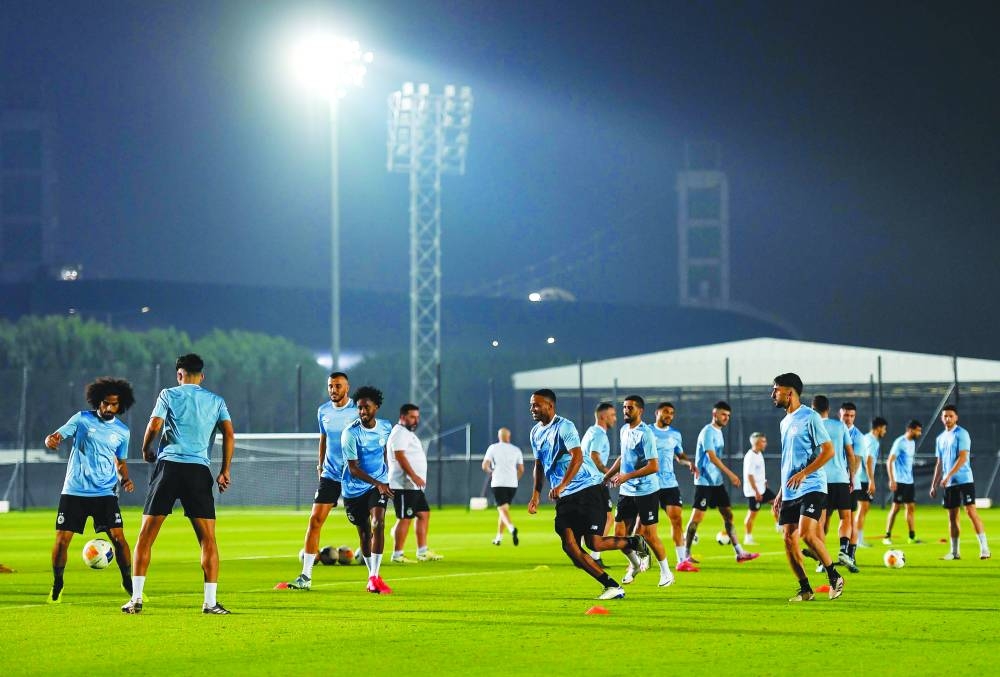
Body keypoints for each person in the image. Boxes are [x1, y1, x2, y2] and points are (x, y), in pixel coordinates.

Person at [123, 354, 235, 614]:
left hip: (169, 469)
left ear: (179, 374)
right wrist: (225, 470)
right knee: (208, 539)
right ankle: (209, 602)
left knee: (146, 536)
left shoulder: (168, 394)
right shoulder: (216, 401)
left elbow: (155, 424)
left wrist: (145, 448)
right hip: (198, 470)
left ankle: (136, 599)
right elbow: (229, 433)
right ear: (202, 376)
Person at [527, 389, 648, 600]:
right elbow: (539, 464)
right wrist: (536, 494)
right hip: (566, 496)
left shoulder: (565, 426)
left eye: (537, 405)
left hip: (588, 489)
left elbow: (577, 457)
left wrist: (563, 484)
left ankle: (634, 543)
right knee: (569, 545)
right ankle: (611, 585)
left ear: (550, 406)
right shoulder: (535, 432)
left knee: (594, 544)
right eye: (531, 405)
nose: (533, 409)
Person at [44, 377, 137, 604]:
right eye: (104, 403)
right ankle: (58, 581)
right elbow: (55, 436)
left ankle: (128, 580)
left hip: (105, 493)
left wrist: (125, 479)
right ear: (97, 401)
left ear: (120, 405)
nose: (107, 407)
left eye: (113, 404)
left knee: (119, 539)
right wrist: (51, 440)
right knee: (62, 541)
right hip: (75, 491)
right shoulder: (82, 419)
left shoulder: (122, 432)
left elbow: (120, 461)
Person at [770, 373, 845, 602]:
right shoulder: (784, 422)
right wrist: (781, 493)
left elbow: (828, 451)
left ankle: (835, 577)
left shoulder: (810, 417)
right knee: (788, 538)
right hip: (790, 489)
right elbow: (788, 460)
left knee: (805, 534)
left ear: (789, 392)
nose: (773, 394)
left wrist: (804, 473)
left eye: (776, 390)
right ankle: (805, 589)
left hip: (812, 485)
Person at [287, 371, 357, 590]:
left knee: (363, 523)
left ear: (347, 387)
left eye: (337, 386)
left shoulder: (358, 410)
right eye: (330, 386)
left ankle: (372, 573)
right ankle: (305, 577)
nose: (333, 390)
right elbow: (323, 439)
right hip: (330, 474)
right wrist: (320, 466)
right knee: (315, 520)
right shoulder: (323, 411)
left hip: (355, 475)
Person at [604, 395, 674, 587]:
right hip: (627, 491)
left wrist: (626, 476)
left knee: (649, 536)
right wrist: (608, 475)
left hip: (646, 491)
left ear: (640, 411)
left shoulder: (646, 434)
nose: (626, 411)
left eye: (630, 408)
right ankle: (634, 565)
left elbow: (654, 466)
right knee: (620, 535)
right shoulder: (624, 430)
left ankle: (666, 572)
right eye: (624, 408)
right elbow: (623, 456)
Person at [680, 401, 758, 570]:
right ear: (715, 414)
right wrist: (730, 474)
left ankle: (739, 552)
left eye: (728, 416)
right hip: (704, 482)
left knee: (728, 515)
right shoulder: (708, 431)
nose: (726, 418)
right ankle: (685, 556)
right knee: (697, 518)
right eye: (723, 415)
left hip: (717, 482)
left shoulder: (719, 432)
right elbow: (711, 457)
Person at [341, 386, 394, 594]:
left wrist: (389, 478)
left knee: (378, 523)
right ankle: (371, 576)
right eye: (359, 408)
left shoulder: (386, 428)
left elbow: (388, 453)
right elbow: (353, 469)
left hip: (378, 484)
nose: (362, 412)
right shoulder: (350, 434)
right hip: (354, 490)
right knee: (364, 533)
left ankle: (374, 576)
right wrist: (378, 483)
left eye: (366, 408)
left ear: (376, 407)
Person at [930, 405, 991, 560]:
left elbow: (963, 457)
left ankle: (985, 549)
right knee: (952, 517)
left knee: (971, 512)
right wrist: (934, 484)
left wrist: (948, 475)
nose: (948, 419)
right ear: (941, 418)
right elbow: (940, 462)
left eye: (951, 416)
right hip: (949, 484)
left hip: (964, 480)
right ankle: (954, 552)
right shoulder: (940, 438)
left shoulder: (962, 434)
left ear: (956, 417)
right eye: (945, 416)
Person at [388, 404, 443, 563]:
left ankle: (422, 551)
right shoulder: (399, 433)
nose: (416, 420)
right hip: (404, 484)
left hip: (413, 486)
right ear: (403, 417)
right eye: (412, 417)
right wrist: (414, 476)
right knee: (405, 517)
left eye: (417, 417)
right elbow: (400, 456)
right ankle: (397, 554)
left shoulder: (406, 433)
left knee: (423, 514)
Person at [812, 396, 858, 574]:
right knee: (845, 517)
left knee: (821, 521)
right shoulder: (840, 426)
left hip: (820, 480)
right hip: (840, 479)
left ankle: (823, 561)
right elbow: (850, 453)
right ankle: (843, 549)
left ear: (812, 408)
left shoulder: (813, 426)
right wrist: (852, 476)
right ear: (828, 409)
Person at [651, 402, 696, 564]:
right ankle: (639, 558)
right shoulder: (647, 431)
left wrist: (689, 463)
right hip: (650, 484)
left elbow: (680, 456)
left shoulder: (675, 434)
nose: (669, 415)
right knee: (644, 527)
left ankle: (681, 560)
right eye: (665, 412)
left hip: (669, 483)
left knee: (677, 519)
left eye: (671, 413)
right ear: (657, 413)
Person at [580, 402, 617, 566]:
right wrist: (608, 473)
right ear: (603, 416)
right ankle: (595, 556)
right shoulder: (600, 434)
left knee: (588, 519)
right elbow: (595, 456)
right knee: (608, 517)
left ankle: (585, 553)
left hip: (584, 481)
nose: (615, 419)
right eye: (612, 415)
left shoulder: (590, 431)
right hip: (594, 481)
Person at [882, 420, 923, 545]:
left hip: (909, 481)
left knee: (910, 508)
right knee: (896, 508)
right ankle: (887, 536)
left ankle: (911, 537)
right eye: (918, 430)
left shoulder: (912, 443)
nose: (920, 433)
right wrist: (892, 480)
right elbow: (889, 461)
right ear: (911, 430)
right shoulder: (900, 442)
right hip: (899, 481)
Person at [482, 427, 524, 546]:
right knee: (504, 510)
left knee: (502, 509)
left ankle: (512, 529)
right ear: (509, 437)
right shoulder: (516, 450)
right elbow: (521, 469)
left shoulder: (493, 448)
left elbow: (485, 465)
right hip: (512, 484)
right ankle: (498, 538)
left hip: (498, 482)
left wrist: (491, 471)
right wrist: (515, 479)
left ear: (499, 436)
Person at [839, 402, 866, 561]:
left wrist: (849, 479)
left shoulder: (858, 436)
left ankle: (851, 554)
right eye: (845, 415)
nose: (848, 418)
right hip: (833, 483)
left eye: (851, 416)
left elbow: (856, 461)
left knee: (849, 518)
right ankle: (822, 558)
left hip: (850, 484)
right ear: (839, 415)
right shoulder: (834, 432)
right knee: (825, 520)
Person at [854, 417, 887, 547]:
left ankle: (858, 539)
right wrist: (871, 481)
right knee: (862, 509)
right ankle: (858, 540)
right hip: (863, 479)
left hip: (861, 478)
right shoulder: (873, 441)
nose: (884, 431)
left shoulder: (866, 438)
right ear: (879, 428)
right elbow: (868, 461)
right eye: (884, 429)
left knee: (863, 509)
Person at [741, 432, 777, 546]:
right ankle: (748, 537)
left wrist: (764, 482)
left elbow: (758, 472)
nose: (765, 443)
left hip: (762, 488)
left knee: (777, 502)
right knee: (752, 514)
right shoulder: (750, 456)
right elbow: (749, 475)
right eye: (763, 441)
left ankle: (779, 524)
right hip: (753, 491)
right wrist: (756, 491)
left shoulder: (759, 454)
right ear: (756, 442)